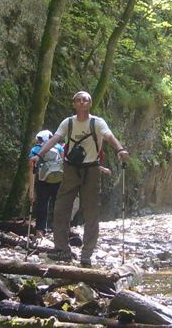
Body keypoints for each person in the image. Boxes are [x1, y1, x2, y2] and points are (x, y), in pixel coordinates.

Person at [30, 91, 129, 267]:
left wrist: (120, 149)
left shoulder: (97, 122)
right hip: (70, 169)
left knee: (91, 212)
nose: (82, 102)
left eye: (85, 100)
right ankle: (62, 250)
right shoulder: (67, 123)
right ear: (74, 103)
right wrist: (39, 154)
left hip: (91, 169)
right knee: (61, 208)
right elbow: (55, 139)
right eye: (78, 100)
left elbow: (108, 136)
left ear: (90, 103)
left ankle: (86, 254)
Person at [27, 129, 63, 237]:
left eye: (38, 140)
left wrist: (31, 190)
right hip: (58, 180)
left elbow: (31, 170)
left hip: (42, 181)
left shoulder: (36, 150)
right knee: (58, 206)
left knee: (42, 205)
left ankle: (40, 231)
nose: (37, 142)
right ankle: (59, 231)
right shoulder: (59, 148)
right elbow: (63, 164)